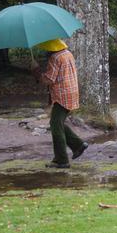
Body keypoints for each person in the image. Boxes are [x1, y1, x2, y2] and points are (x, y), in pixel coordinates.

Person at [31, 39, 87, 168]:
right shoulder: (67, 53)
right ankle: (78, 145)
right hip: (71, 92)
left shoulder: (55, 58)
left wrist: (36, 71)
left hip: (62, 95)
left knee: (55, 126)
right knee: (57, 123)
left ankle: (62, 160)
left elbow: (49, 80)